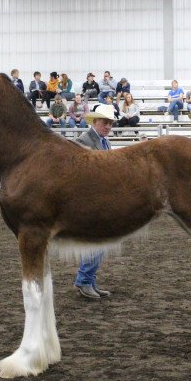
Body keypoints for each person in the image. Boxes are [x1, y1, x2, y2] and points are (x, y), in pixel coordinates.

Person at [73, 103, 116, 299]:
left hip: (99, 199)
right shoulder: (84, 141)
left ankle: (89, 281)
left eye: (110, 123)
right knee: (97, 242)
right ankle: (84, 281)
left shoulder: (102, 141)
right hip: (89, 200)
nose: (108, 126)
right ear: (95, 121)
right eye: (105, 122)